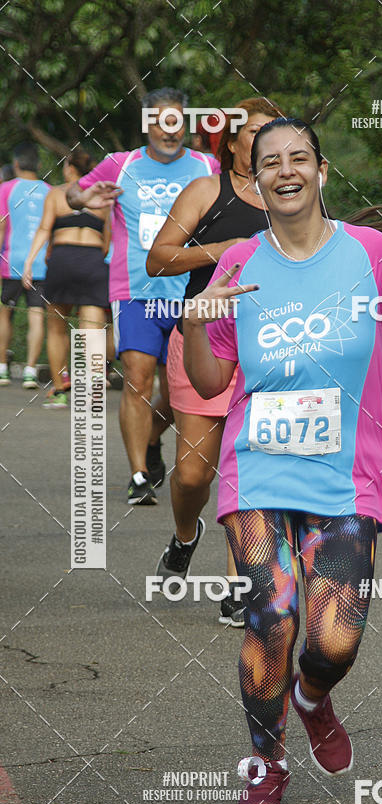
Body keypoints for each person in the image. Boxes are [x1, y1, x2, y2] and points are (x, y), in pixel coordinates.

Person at [182, 117, 382, 804]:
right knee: (272, 617)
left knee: (335, 639)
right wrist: (197, 318)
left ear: (320, 171)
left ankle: (314, 698)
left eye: (300, 158)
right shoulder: (239, 264)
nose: (286, 171)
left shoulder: (369, 254)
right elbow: (209, 374)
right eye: (270, 162)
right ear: (253, 181)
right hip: (256, 466)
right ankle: (266, 760)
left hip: (348, 475)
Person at [147, 97, 282, 627]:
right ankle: (185, 535)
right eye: (255, 132)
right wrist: (224, 247)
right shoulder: (207, 191)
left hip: (266, 342)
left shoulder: (292, 195)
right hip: (202, 336)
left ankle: (238, 586)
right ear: (231, 141)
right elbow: (160, 260)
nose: (268, 140)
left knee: (244, 466)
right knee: (191, 473)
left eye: (277, 131)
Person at [66, 87, 220, 504]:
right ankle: (137, 475)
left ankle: (152, 437)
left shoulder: (208, 166)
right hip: (136, 290)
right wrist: (85, 198)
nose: (169, 132)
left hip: (192, 291)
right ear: (147, 123)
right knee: (138, 375)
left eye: (176, 122)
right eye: (160, 122)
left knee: (180, 390)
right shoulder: (121, 164)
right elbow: (74, 193)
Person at [22, 148, 111, 408]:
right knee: (92, 330)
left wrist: (29, 262)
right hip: (93, 261)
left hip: (62, 259)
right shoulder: (102, 195)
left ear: (70, 169)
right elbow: (108, 242)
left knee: (56, 329)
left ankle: (60, 390)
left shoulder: (57, 193)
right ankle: (92, 391)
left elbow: (43, 229)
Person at [0, 142, 50, 388]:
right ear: (38, 165)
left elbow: (1, 227)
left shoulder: (6, 189)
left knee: (5, 313)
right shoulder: (51, 190)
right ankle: (30, 370)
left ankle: (2, 369)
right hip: (41, 263)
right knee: (36, 316)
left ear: (16, 163)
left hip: (11, 262)